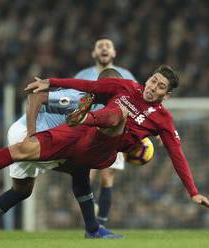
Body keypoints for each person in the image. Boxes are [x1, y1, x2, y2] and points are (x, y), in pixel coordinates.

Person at [0, 64, 209, 231]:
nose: (153, 87)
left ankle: (86, 119)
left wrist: (192, 192)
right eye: (154, 80)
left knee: (118, 117)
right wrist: (51, 82)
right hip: (78, 135)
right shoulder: (126, 86)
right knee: (21, 150)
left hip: (102, 149)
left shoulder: (163, 119)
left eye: (160, 86)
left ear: (167, 94)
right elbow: (84, 84)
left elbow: (177, 155)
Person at [0, 69, 125, 240]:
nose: (119, 89)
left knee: (21, 190)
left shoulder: (110, 107)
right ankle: (93, 230)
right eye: (114, 85)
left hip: (37, 135)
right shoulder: (80, 97)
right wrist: (31, 133)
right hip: (30, 134)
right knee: (80, 168)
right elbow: (36, 97)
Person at [74, 37, 136, 226]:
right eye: (99, 45)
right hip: (88, 130)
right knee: (86, 173)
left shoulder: (125, 75)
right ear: (94, 53)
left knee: (107, 176)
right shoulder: (83, 75)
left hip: (115, 132)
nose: (104, 48)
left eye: (108, 45)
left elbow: (136, 103)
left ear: (114, 52)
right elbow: (73, 100)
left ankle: (100, 223)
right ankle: (91, 218)